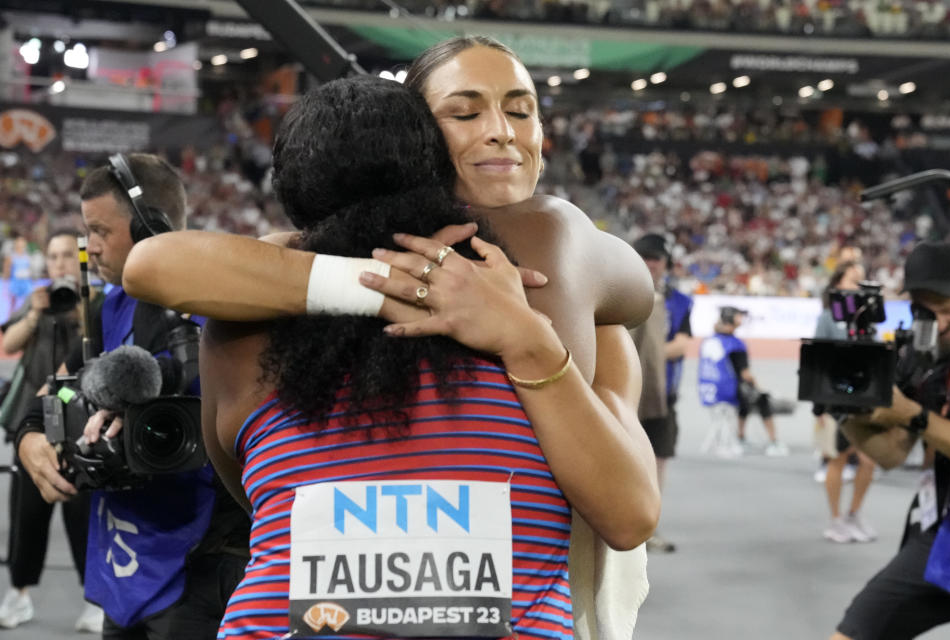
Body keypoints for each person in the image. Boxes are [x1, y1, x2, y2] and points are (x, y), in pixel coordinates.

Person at [124, 36, 656, 640]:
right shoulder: (553, 244)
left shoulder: (249, 296)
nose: (502, 131)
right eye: (464, 112)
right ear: (411, 135)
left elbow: (256, 493)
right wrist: (388, 285)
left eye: (521, 108)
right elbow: (637, 291)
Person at [14, 154, 250, 639]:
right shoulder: (106, 308)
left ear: (148, 230)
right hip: (125, 565)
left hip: (203, 568)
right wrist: (32, 435)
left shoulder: (227, 308)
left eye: (99, 230)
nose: (89, 247)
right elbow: (55, 393)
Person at [832, 241, 950, 640]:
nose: (938, 324)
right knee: (858, 629)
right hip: (948, 532)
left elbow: (913, 423)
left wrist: (912, 414)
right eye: (926, 311)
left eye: (948, 309)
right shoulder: (928, 358)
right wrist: (846, 412)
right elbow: (891, 454)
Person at [0, 229, 103, 632]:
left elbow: (94, 346)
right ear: (46, 262)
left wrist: (83, 308)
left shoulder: (94, 302)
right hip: (34, 420)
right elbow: (10, 341)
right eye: (54, 256)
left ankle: (93, 599)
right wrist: (33, 314)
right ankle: (19, 593)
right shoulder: (36, 301)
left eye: (66, 255)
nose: (60, 262)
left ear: (79, 260)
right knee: (27, 515)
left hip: (80, 423)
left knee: (83, 516)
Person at [631, 233, 693, 554]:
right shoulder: (619, 290)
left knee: (657, 461)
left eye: (656, 259)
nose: (650, 264)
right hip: (622, 391)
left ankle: (648, 528)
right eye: (644, 257)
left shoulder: (679, 301)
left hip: (662, 393)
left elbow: (682, 344)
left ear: (666, 264)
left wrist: (647, 354)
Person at [813, 261, 878, 544]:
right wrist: (820, 404)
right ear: (837, 284)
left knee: (868, 459)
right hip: (835, 397)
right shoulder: (827, 317)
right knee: (837, 459)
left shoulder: (867, 318)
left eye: (862, 281)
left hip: (863, 397)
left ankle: (854, 514)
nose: (858, 287)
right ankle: (835, 520)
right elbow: (818, 358)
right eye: (853, 281)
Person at [698, 307, 788, 457]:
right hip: (728, 392)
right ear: (731, 319)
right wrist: (759, 388)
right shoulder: (736, 344)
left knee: (745, 399)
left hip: (708, 390)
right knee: (762, 399)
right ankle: (773, 441)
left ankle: (741, 436)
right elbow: (745, 374)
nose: (741, 320)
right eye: (739, 317)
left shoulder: (710, 340)